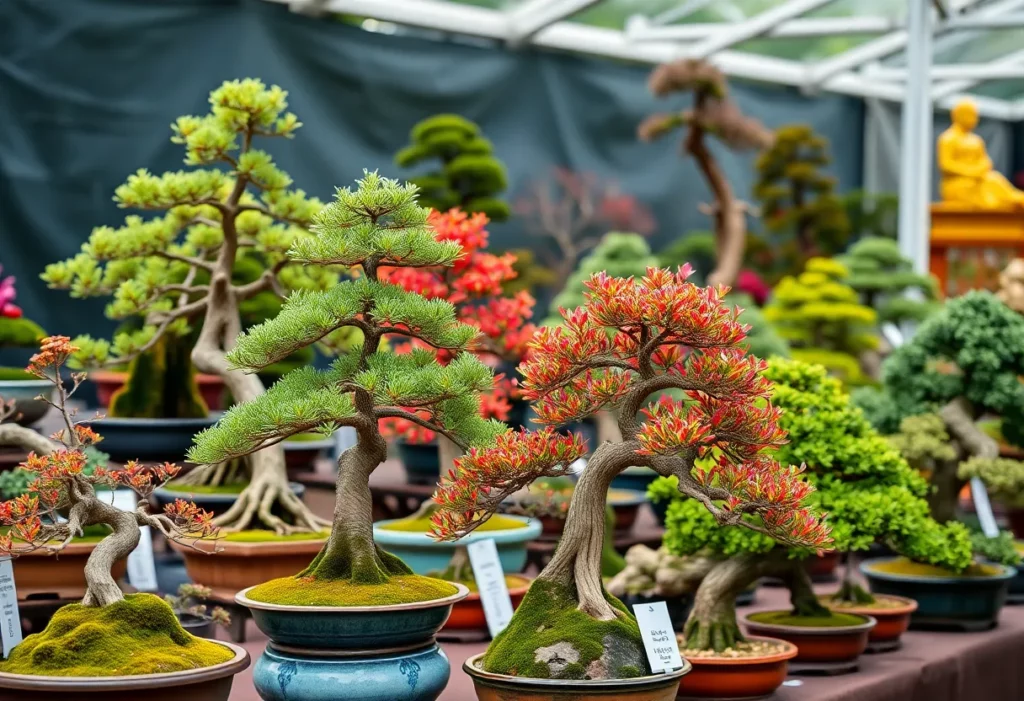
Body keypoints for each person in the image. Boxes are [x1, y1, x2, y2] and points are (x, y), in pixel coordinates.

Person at [937, 99, 1024, 209]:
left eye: (975, 116)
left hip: (979, 179)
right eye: (970, 115)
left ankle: (1015, 198)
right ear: (957, 116)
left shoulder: (976, 140)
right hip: (959, 182)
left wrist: (980, 169)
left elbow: (985, 161)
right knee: (983, 196)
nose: (974, 120)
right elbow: (946, 165)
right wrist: (970, 172)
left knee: (995, 179)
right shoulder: (948, 138)